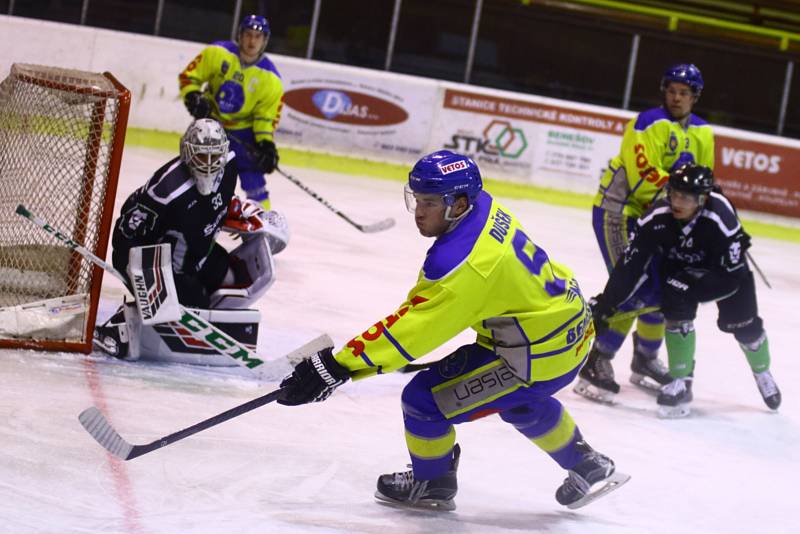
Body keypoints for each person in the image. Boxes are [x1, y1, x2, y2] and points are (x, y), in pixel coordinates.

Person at [275, 150, 628, 510]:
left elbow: (412, 328)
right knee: (521, 402)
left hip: (534, 355)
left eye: (430, 202)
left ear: (458, 204)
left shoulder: (462, 263)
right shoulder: (483, 204)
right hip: (572, 329)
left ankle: (432, 483)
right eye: (416, 199)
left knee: (423, 401)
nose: (419, 211)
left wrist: (338, 366)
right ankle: (587, 463)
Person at [589, 163, 781, 418]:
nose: (677, 201)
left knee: (745, 328)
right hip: (681, 272)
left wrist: (692, 290)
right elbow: (629, 267)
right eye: (674, 193)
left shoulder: (720, 217)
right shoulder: (656, 217)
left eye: (686, 197)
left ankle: (762, 372)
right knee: (670, 299)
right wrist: (606, 305)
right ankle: (681, 380)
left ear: (701, 199)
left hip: (725, 275)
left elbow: (731, 277)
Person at [579, 63, 716, 402]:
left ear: (695, 96)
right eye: (671, 90)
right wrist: (682, 197)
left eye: (684, 92)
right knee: (633, 285)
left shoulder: (703, 132)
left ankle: (646, 358)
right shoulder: (647, 122)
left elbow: (704, 178)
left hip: (660, 217)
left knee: (662, 287)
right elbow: (642, 178)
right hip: (619, 210)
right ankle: (597, 359)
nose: (676, 97)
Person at [93, 119, 277, 360]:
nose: (209, 165)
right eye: (202, 157)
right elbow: (127, 234)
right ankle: (123, 324)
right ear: (187, 153)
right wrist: (144, 279)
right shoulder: (166, 191)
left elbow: (219, 201)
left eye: (214, 157)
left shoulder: (230, 165)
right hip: (170, 266)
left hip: (199, 253)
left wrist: (239, 210)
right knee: (194, 308)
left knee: (235, 278)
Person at [178, 14, 283, 211]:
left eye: (257, 37)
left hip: (243, 133)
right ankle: (189, 215)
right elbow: (189, 77)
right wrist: (193, 96)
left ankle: (263, 224)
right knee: (195, 174)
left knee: (254, 182)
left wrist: (265, 144)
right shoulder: (217, 53)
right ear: (240, 35)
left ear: (265, 41)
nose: (252, 41)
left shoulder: (272, 79)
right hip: (209, 126)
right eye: (248, 35)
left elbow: (264, 118)